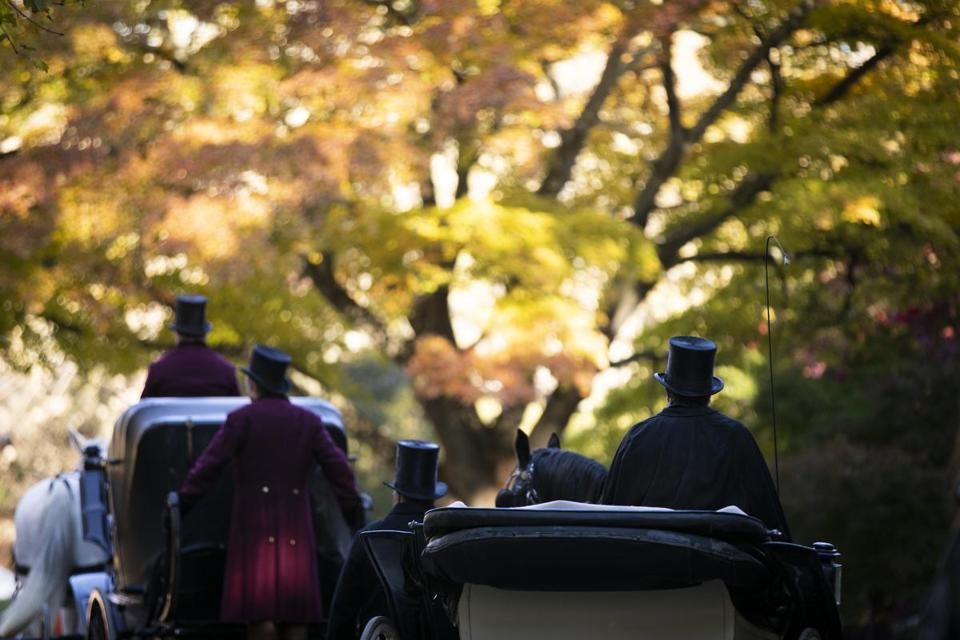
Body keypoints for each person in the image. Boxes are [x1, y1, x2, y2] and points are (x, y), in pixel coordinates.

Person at [180, 345, 362, 640]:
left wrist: (184, 500)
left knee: (259, 615)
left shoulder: (242, 419)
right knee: (297, 616)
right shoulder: (309, 422)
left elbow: (208, 466)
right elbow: (338, 469)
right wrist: (352, 507)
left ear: (254, 385)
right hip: (297, 530)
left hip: (252, 531)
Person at [601, 335, 790, 537]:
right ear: (709, 393)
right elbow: (770, 521)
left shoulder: (637, 437)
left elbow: (610, 515)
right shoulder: (735, 437)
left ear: (668, 390)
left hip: (644, 561)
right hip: (723, 564)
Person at [326, 440, 447, 640]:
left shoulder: (367, 538)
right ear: (433, 496)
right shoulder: (447, 538)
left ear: (397, 494)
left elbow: (342, 615)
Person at [141, 294, 240, 398]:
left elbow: (143, 411)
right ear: (205, 334)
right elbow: (238, 410)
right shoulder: (226, 371)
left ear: (177, 334)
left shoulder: (159, 370)